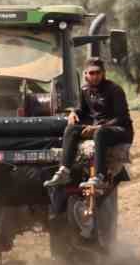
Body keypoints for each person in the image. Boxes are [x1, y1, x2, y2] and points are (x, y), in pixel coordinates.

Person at [45, 57, 133, 190]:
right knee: (71, 129)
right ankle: (64, 171)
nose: (95, 76)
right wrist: (73, 113)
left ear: (103, 73)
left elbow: (122, 118)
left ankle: (99, 177)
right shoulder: (85, 90)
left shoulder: (114, 90)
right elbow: (81, 110)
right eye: (91, 73)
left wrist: (99, 127)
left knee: (100, 132)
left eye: (98, 73)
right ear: (85, 74)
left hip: (119, 130)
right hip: (97, 129)